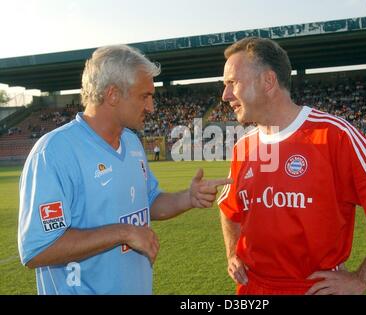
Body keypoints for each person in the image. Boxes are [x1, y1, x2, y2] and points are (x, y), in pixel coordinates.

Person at [17, 45, 231, 295]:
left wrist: (188, 197)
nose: (151, 107)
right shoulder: (54, 153)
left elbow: (148, 201)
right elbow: (38, 249)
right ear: (113, 95)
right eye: (144, 96)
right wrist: (123, 233)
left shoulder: (131, 142)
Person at [217, 37, 366, 295]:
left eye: (232, 83)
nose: (224, 96)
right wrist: (231, 254)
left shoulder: (333, 134)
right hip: (252, 290)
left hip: (314, 289)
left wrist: (362, 279)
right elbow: (228, 207)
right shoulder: (243, 147)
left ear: (268, 81)